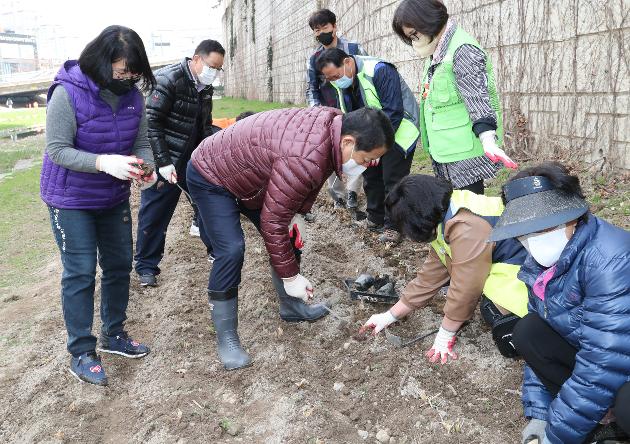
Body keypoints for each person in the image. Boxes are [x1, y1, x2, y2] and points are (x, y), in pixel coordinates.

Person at [187, 106, 394, 370]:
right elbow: (273, 220)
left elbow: (304, 183)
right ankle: (226, 337)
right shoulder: (306, 157)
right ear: (348, 142)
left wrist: (297, 214)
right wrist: (291, 277)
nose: (366, 166)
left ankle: (291, 308)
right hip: (211, 173)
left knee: (290, 236)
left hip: (252, 175)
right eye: (366, 159)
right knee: (231, 249)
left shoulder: (332, 126)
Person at [41, 25, 156, 386]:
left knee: (120, 264)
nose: (127, 78)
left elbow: (141, 141)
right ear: (101, 62)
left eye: (133, 73)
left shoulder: (133, 97)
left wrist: (144, 167)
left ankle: (114, 335)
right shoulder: (68, 93)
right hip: (70, 199)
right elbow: (57, 149)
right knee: (80, 271)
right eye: (121, 71)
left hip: (112, 197)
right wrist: (103, 162)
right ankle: (81, 350)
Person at [487, 162, 630, 444]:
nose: (534, 240)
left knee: (627, 404)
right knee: (528, 330)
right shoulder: (540, 265)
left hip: (616, 357)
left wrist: (557, 436)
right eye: (525, 231)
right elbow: (540, 345)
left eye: (546, 227)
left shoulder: (611, 260)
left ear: (574, 217)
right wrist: (541, 414)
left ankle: (613, 421)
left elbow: (601, 362)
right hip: (602, 354)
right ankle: (598, 417)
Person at [359, 175, 529, 362]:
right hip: (512, 258)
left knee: (493, 311)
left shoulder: (465, 227)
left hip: (527, 267)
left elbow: (466, 288)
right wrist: (389, 316)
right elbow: (429, 277)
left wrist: (445, 334)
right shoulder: (442, 214)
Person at [392, 0, 517, 196]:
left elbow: (477, 95)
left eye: (414, 34)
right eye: (410, 37)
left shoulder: (461, 49)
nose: (415, 41)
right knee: (456, 205)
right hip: (448, 146)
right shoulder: (438, 51)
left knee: (469, 208)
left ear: (427, 22)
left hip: (464, 149)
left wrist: (487, 138)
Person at [134, 40, 225, 287]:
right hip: (167, 157)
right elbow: (151, 123)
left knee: (206, 204)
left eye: (219, 69)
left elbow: (203, 124)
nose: (214, 72)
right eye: (211, 66)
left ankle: (216, 251)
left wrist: (208, 152)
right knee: (155, 211)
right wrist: (163, 161)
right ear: (196, 59)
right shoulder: (168, 79)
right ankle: (146, 266)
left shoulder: (205, 86)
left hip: (194, 158)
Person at [316, 48, 420, 243]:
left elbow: (394, 111)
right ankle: (375, 218)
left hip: (400, 131)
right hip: (371, 134)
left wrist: (378, 145)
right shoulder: (342, 84)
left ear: (347, 63)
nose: (335, 81)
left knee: (393, 179)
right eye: (330, 79)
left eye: (336, 76)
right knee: (370, 173)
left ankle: (393, 227)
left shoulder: (380, 70)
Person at [307, 8, 368, 212]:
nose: (321, 32)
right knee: (330, 152)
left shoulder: (353, 48)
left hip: (355, 110)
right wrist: (316, 112)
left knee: (356, 148)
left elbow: (366, 75)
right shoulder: (314, 58)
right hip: (329, 113)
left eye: (324, 27)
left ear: (334, 26)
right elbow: (312, 88)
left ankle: (353, 192)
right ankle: (338, 195)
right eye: (316, 29)